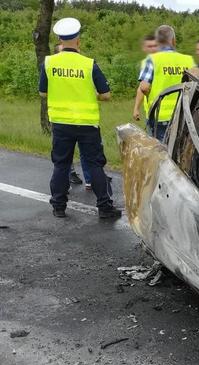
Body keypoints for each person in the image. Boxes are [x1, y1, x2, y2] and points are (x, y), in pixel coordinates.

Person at [39, 17, 121, 219]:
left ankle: (58, 206)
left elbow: (42, 93)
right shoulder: (88, 64)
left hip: (60, 123)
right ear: (78, 40)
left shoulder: (49, 62)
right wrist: (90, 95)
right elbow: (106, 94)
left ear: (59, 38)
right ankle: (105, 207)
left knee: (61, 164)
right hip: (87, 124)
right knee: (95, 164)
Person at [139, 25, 194, 141]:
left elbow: (144, 87)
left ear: (158, 41)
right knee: (181, 151)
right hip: (185, 115)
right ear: (173, 40)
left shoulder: (153, 59)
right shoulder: (188, 60)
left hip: (159, 116)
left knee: (161, 153)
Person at [54, 42, 91, 188]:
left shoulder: (83, 66)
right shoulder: (54, 69)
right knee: (64, 154)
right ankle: (69, 173)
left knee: (86, 151)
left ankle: (90, 177)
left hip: (82, 116)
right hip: (62, 117)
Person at [132, 34, 158, 122]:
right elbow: (141, 87)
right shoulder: (148, 62)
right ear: (144, 48)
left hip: (156, 113)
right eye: (150, 46)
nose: (153, 49)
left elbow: (143, 88)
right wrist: (136, 108)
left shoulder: (150, 62)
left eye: (155, 46)